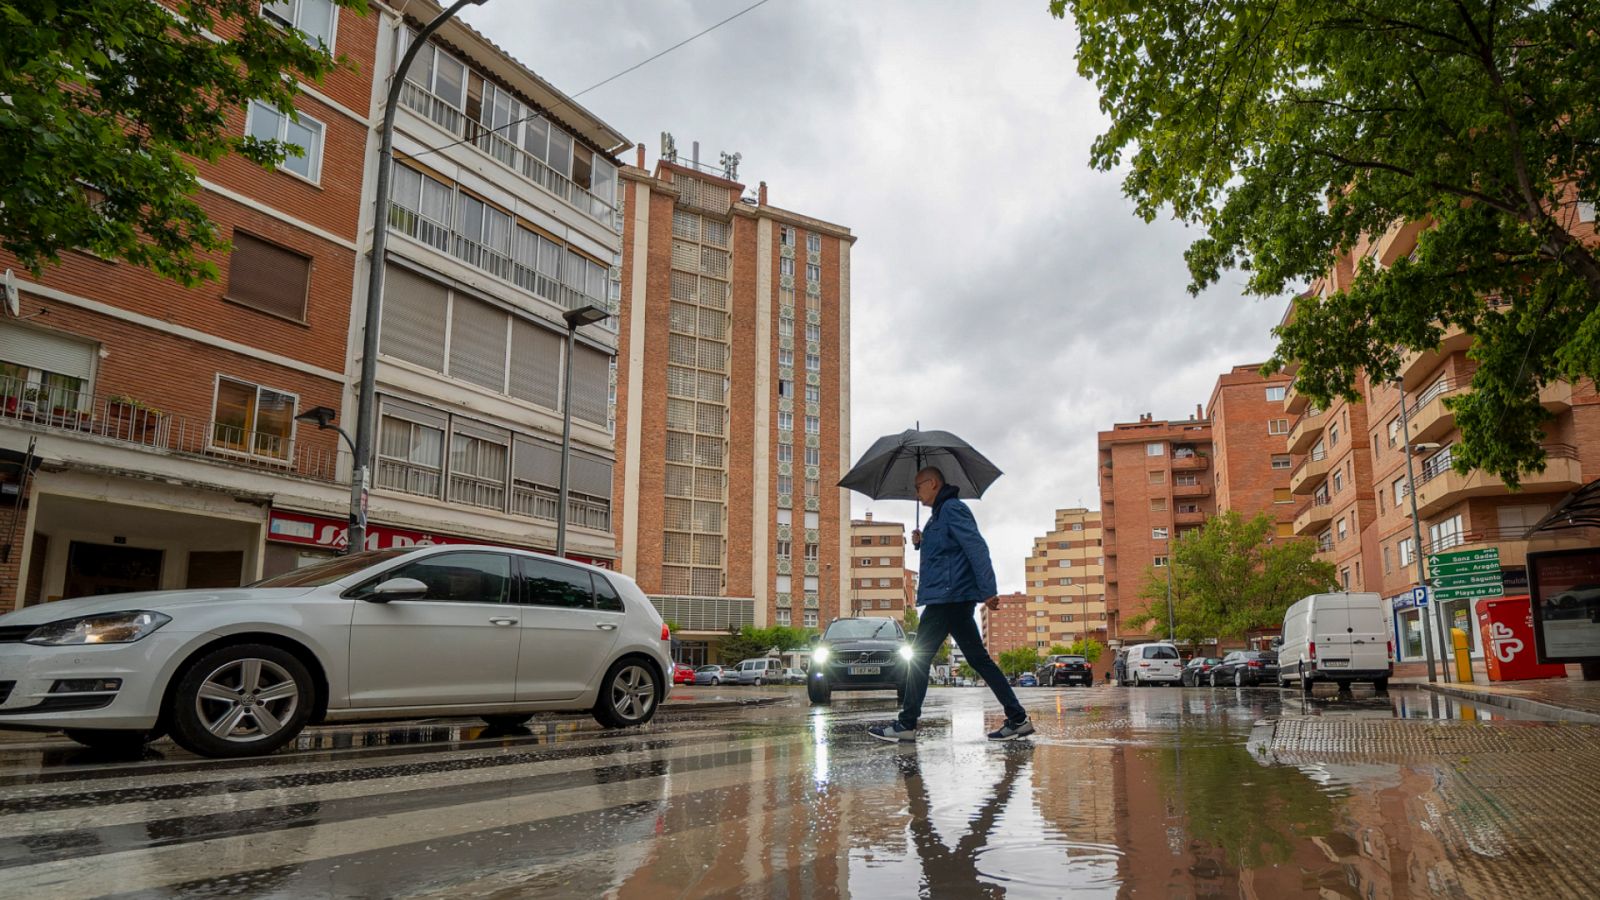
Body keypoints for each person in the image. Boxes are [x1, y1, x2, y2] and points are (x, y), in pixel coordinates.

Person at [869, 467, 1033, 743]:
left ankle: (906, 723)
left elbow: (976, 547)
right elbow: (946, 552)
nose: (916, 493)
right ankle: (1018, 719)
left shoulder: (953, 509)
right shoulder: (939, 515)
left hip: (948, 598)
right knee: (979, 660)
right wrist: (922, 541)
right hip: (951, 598)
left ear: (932, 483)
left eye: (918, 486)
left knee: (919, 657)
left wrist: (989, 590)